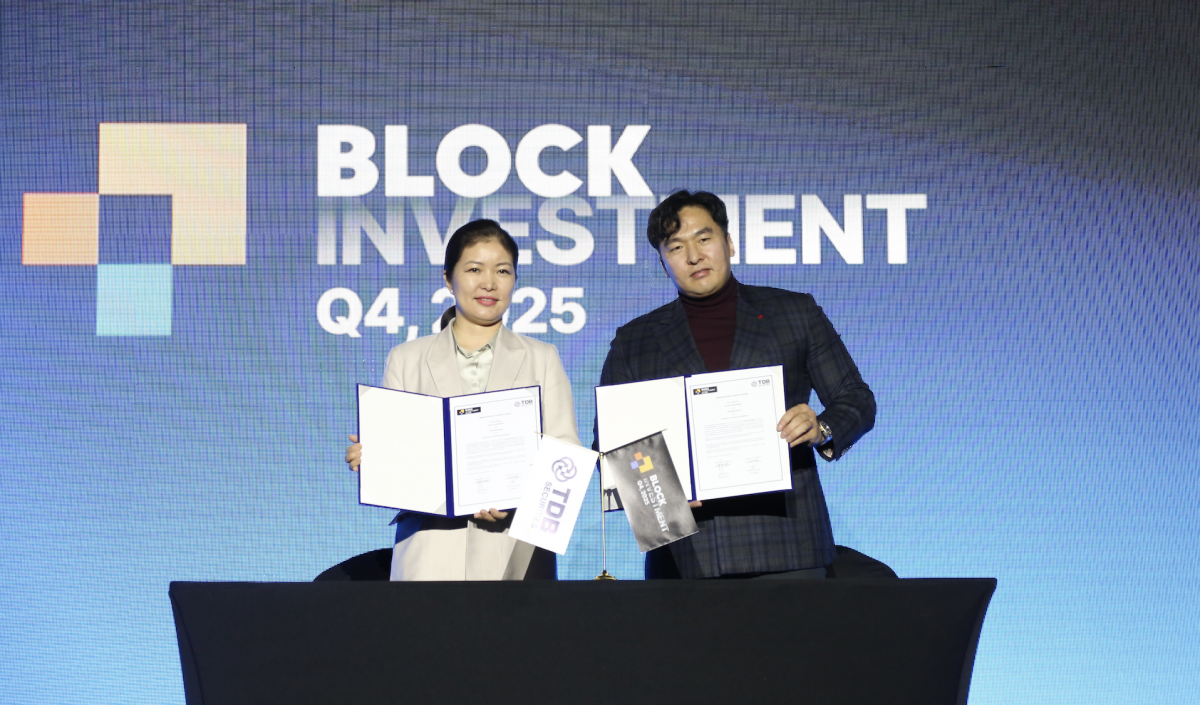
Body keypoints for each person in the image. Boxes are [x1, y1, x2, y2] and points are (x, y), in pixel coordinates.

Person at [595, 191, 875, 579]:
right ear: (662, 262)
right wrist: (662, 495)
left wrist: (821, 427)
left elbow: (856, 398)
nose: (694, 256)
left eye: (704, 238)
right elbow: (610, 446)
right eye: (676, 247)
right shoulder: (635, 341)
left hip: (788, 541)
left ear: (729, 243)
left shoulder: (794, 313)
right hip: (684, 552)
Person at [345, 219, 580, 580]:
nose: (489, 283)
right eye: (474, 269)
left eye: (503, 271)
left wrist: (516, 502)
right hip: (429, 554)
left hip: (514, 555)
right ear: (448, 279)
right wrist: (375, 461)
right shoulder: (406, 358)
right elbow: (395, 462)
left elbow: (566, 459)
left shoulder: (542, 358)